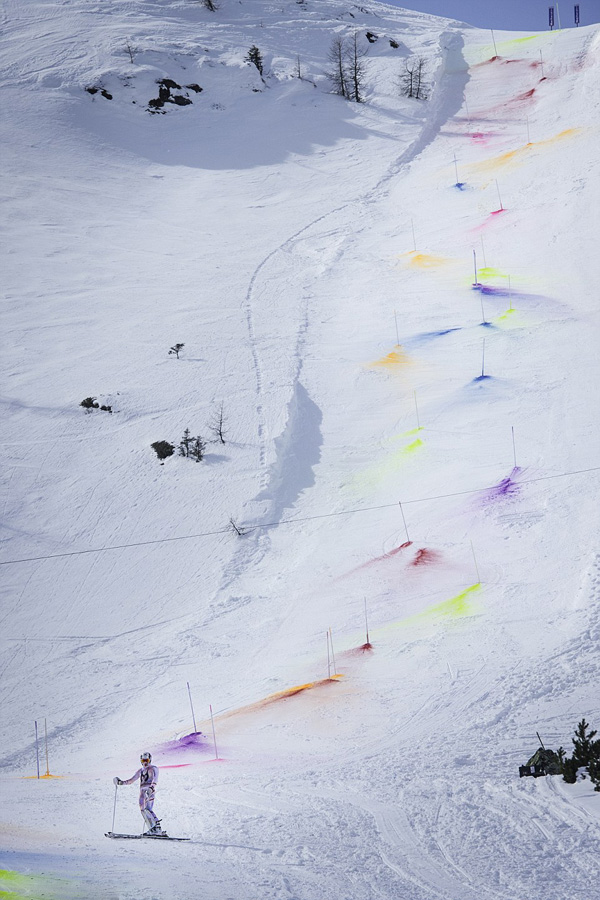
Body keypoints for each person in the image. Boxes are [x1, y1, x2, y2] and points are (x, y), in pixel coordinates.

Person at [114, 751, 165, 835]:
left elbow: (155, 779)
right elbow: (131, 780)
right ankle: (154, 828)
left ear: (150, 760)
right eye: (143, 761)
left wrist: (151, 788)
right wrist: (120, 782)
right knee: (143, 810)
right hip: (142, 792)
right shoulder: (140, 771)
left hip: (148, 790)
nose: (145, 762)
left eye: (146, 760)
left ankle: (155, 829)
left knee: (147, 809)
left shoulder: (153, 768)